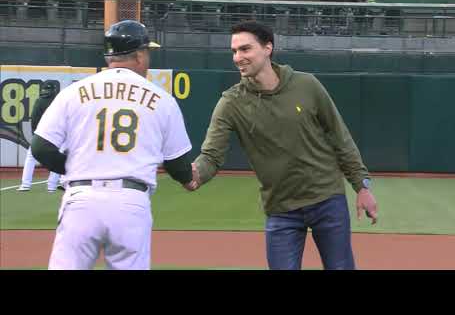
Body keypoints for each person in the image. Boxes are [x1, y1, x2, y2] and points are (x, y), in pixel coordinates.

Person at [192, 20, 378, 270]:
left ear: (267, 48)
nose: (238, 57)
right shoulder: (231, 103)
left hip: (327, 200)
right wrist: (196, 174)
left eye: (245, 49)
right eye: (234, 51)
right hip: (281, 210)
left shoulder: (306, 85)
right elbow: (211, 156)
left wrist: (362, 186)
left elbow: (339, 137)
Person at [31, 19, 198, 270]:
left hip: (81, 199)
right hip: (130, 203)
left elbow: (41, 148)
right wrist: (188, 179)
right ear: (140, 56)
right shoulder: (161, 99)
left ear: (110, 57)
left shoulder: (74, 92)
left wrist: (78, 167)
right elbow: (177, 163)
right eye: (147, 52)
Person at [18, 80, 61, 193]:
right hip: (56, 133)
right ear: (54, 90)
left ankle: (25, 185)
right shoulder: (57, 101)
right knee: (57, 157)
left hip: (41, 133)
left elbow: (34, 118)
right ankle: (51, 186)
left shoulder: (40, 101)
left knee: (31, 157)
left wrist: (35, 133)